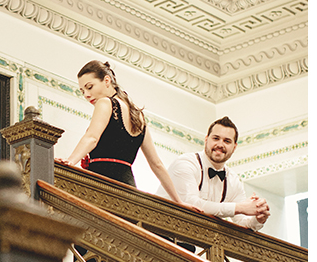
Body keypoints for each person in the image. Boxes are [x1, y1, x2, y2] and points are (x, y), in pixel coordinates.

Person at [61, 59, 184, 204]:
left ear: (107, 80)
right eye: (82, 91)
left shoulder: (105, 102)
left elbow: (92, 138)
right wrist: (179, 202)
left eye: (89, 87)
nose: (86, 94)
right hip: (129, 190)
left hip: (102, 184)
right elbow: (156, 164)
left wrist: (69, 162)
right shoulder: (139, 116)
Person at [167, 116, 269, 231]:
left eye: (227, 141)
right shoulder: (186, 163)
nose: (220, 145)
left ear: (234, 147)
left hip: (191, 244)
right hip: (160, 233)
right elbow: (191, 204)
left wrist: (259, 217)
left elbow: (242, 222)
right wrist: (239, 207)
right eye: (216, 138)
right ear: (206, 139)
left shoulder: (233, 180)